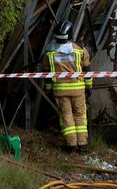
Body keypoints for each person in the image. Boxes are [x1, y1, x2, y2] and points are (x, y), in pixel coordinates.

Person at [42, 21, 92, 153]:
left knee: (66, 116)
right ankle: (83, 145)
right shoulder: (80, 50)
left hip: (60, 90)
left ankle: (71, 145)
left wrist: (48, 89)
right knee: (80, 115)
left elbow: (47, 74)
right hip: (78, 89)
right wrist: (89, 87)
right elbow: (87, 70)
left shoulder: (49, 51)